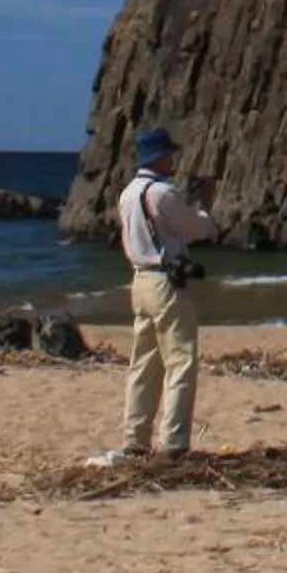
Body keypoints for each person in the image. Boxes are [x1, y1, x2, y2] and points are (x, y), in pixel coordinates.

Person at [98, 123, 219, 462]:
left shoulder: (128, 194)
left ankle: (135, 438)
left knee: (144, 363)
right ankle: (174, 443)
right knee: (180, 362)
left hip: (140, 280)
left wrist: (189, 201)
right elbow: (200, 228)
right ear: (161, 156)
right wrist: (205, 203)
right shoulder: (163, 194)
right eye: (169, 155)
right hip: (166, 282)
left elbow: (163, 226)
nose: (173, 161)